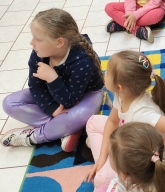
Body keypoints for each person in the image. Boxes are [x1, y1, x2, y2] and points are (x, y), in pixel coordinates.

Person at [1, 9, 104, 152]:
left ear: (59, 42)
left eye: (38, 39)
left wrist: (52, 78)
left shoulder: (82, 61)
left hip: (87, 95)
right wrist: (52, 108)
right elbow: (36, 87)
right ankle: (65, 129)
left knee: (77, 115)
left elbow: (71, 101)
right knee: (9, 103)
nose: (32, 43)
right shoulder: (39, 53)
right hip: (56, 97)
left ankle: (34, 136)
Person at [85, 50, 165, 192]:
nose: (104, 74)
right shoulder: (121, 95)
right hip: (128, 137)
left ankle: (109, 181)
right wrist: (102, 156)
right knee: (92, 122)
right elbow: (113, 121)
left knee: (100, 179)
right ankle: (107, 158)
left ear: (119, 86)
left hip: (142, 151)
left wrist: (153, 154)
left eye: (107, 73)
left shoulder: (141, 113)